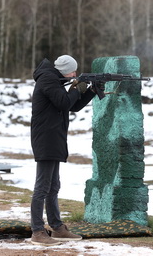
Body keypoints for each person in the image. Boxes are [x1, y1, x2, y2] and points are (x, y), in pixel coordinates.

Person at [30, 55, 104, 246]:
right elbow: (63, 102)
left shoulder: (54, 81)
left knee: (53, 186)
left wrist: (91, 90)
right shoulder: (48, 79)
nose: (75, 74)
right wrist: (78, 86)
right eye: (73, 71)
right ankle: (37, 231)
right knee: (42, 187)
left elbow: (73, 106)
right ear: (65, 71)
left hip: (54, 138)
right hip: (47, 139)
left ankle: (57, 228)